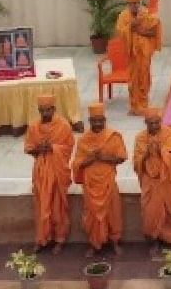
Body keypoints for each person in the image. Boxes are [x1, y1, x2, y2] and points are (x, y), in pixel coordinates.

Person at [72, 103, 127, 258]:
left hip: (108, 181)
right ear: (89, 121)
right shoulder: (83, 140)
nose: (97, 124)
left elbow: (122, 157)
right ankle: (94, 243)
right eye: (94, 121)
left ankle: (115, 241)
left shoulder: (113, 136)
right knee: (91, 214)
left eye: (100, 120)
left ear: (104, 120)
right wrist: (90, 159)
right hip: (91, 184)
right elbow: (76, 163)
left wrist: (104, 158)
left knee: (113, 212)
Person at [24, 94, 75, 254]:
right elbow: (29, 148)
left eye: (48, 110)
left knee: (58, 207)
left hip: (58, 172)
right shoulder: (34, 127)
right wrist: (39, 149)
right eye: (42, 110)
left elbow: (68, 148)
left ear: (54, 109)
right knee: (41, 206)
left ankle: (59, 239)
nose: (45, 113)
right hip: (41, 171)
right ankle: (42, 238)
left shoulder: (63, 126)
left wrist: (53, 148)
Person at [133, 107, 171, 252]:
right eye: (151, 123)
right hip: (150, 182)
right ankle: (154, 240)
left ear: (161, 121)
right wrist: (146, 153)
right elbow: (136, 163)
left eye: (157, 123)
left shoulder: (169, 135)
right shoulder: (140, 138)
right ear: (146, 123)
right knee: (150, 213)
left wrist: (162, 151)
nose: (154, 126)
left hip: (166, 181)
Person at [114, 0, 162, 114]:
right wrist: (131, 26)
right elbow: (120, 32)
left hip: (144, 54)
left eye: (136, 3)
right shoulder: (123, 16)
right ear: (128, 5)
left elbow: (154, 31)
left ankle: (143, 103)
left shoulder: (145, 14)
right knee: (133, 79)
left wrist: (138, 30)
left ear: (139, 3)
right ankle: (135, 105)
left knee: (144, 78)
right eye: (131, 4)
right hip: (132, 55)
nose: (134, 6)